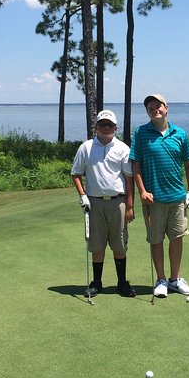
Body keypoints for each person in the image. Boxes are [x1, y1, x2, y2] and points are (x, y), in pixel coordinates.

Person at [130, 94, 189, 298]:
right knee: (156, 240)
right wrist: (142, 191)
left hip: (177, 198)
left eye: (158, 106)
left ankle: (175, 280)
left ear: (166, 108)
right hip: (154, 199)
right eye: (150, 108)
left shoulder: (180, 134)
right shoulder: (140, 133)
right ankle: (161, 280)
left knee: (177, 238)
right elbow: (136, 165)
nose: (154, 110)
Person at [71, 110, 136, 298]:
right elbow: (76, 173)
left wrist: (130, 206)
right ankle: (96, 283)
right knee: (97, 244)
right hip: (94, 203)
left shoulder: (123, 148)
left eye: (110, 125)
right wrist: (83, 195)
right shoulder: (86, 147)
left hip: (118, 202)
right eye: (102, 124)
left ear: (115, 127)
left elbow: (129, 178)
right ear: (96, 127)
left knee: (119, 244)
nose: (106, 128)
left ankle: (122, 283)